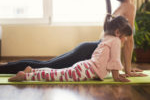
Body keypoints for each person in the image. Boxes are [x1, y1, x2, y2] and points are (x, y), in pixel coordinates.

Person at [0, 0, 145, 77]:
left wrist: (127, 69)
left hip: (90, 48)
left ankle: (7, 65)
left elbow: (123, 42)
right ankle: (4, 68)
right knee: (46, 66)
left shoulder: (122, 7)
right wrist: (127, 71)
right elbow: (129, 42)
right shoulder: (129, 7)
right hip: (90, 50)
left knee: (45, 64)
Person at [8, 15, 137, 82]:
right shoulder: (115, 41)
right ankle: (25, 76)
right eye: (125, 37)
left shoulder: (107, 37)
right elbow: (114, 60)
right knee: (57, 75)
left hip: (85, 66)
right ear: (118, 32)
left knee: (59, 72)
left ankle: (32, 70)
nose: (125, 40)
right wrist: (117, 77)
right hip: (87, 70)